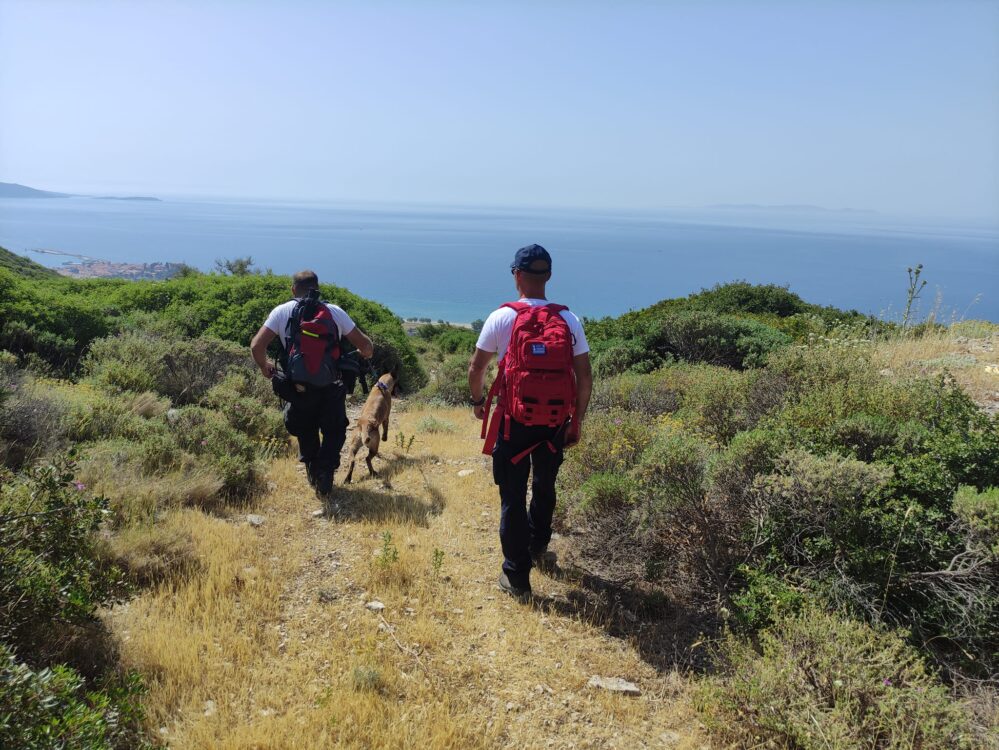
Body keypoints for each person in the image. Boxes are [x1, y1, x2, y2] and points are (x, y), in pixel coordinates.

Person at [468, 244, 593, 599]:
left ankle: (517, 577)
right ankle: (538, 546)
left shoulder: (502, 317)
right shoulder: (569, 319)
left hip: (514, 421)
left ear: (517, 275)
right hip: (554, 421)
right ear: (548, 275)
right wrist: (576, 421)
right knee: (545, 484)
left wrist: (478, 402)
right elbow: (584, 376)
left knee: (512, 496)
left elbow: (476, 368)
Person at [250, 270, 373, 495]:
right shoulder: (334, 311)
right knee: (335, 429)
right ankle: (325, 470)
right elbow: (366, 346)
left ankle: (313, 467)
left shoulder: (281, 311)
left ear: (293, 289)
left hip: (298, 387)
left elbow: (256, 346)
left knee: (305, 427)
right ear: (317, 288)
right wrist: (363, 354)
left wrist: (264, 366)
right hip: (331, 385)